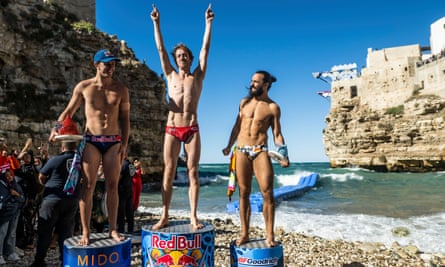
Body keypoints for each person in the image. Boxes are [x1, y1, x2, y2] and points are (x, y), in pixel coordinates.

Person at [48, 49, 131, 246]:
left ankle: (113, 229)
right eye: (107, 63)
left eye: (113, 63)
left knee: (112, 185)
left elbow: (125, 119)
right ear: (96, 64)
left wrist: (125, 144)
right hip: (91, 140)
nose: (111, 67)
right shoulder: (84, 87)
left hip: (113, 141)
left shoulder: (121, 89)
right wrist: (55, 129)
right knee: (88, 185)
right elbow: (68, 111)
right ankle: (86, 232)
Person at [150, 3, 214, 230]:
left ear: (190, 58)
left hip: (191, 129)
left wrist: (208, 24)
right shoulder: (170, 75)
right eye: (178, 56)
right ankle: (164, 215)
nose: (182, 58)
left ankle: (193, 216)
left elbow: (205, 49)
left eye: (185, 55)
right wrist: (156, 23)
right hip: (171, 128)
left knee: (193, 172)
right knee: (168, 171)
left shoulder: (197, 76)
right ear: (175, 59)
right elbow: (160, 49)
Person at [222, 70, 290, 247]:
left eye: (256, 82)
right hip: (241, 150)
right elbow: (237, 127)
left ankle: (269, 236)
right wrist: (229, 145)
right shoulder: (243, 103)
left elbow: (277, 134)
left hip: (260, 151)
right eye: (251, 81)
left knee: (267, 193)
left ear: (266, 85)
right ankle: (244, 233)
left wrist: (284, 153)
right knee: (243, 192)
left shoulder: (273, 107)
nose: (251, 84)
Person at [30, 141, 80, 267]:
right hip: (71, 199)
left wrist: (45, 184)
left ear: (63, 147)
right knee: (66, 233)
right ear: (75, 148)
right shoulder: (80, 161)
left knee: (45, 231)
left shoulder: (56, 159)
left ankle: (39, 261)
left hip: (52, 199)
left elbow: (41, 176)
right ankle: (66, 261)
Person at [0, 166, 25, 264]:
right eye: (7, 176)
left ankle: (10, 252)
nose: (9, 177)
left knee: (11, 233)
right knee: (2, 233)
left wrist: (16, 195)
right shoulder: (1, 185)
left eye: (11, 175)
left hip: (15, 212)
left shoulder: (15, 184)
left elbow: (22, 198)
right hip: (4, 214)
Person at [117, 155, 135, 234]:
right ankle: (130, 229)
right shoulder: (131, 165)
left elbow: (118, 178)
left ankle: (121, 229)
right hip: (129, 188)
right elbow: (132, 175)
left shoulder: (122, 165)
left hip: (122, 189)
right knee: (129, 210)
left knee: (121, 210)